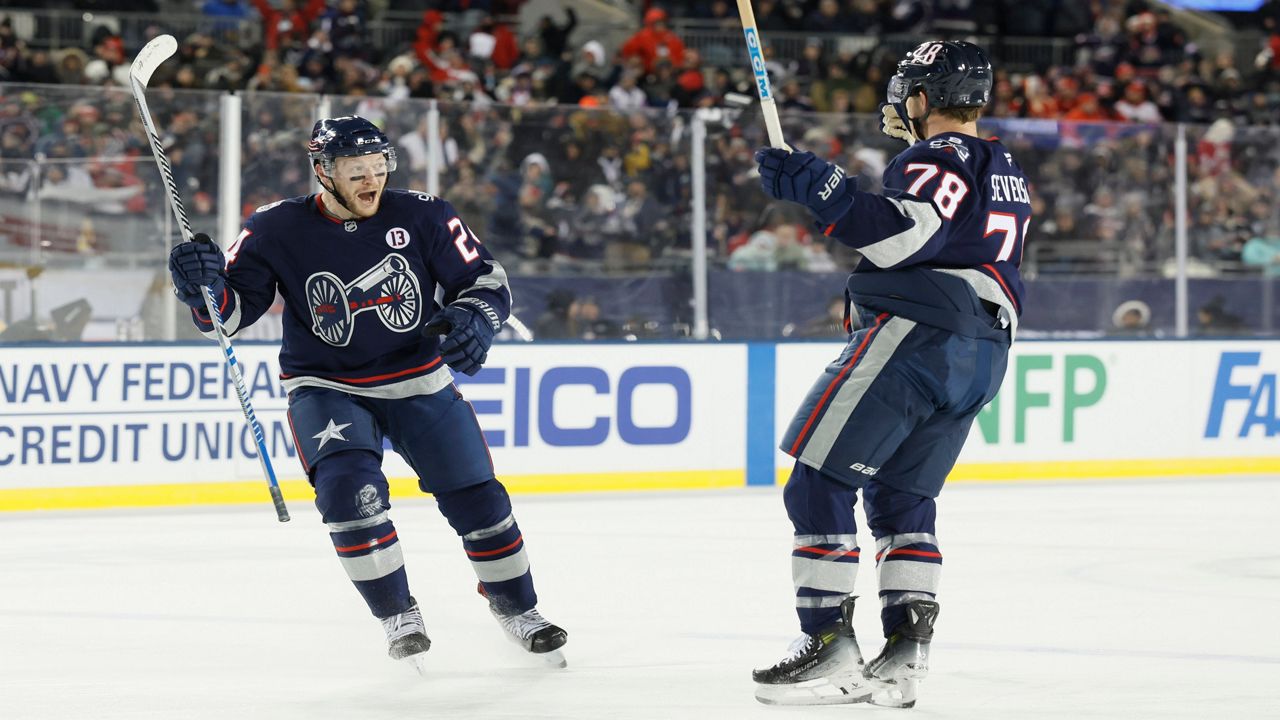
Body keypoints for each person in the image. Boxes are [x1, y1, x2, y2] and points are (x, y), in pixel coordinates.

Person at [166, 116, 567, 672]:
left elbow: (485, 278)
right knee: (349, 493)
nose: (370, 181)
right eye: (357, 171)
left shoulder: (426, 214)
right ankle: (397, 614)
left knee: (480, 499)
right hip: (328, 387)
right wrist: (204, 286)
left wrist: (476, 317)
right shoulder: (274, 228)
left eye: (378, 169)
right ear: (323, 172)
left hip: (419, 380)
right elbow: (228, 315)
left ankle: (517, 609)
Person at [751, 41, 1027, 708]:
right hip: (982, 353)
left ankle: (826, 646)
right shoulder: (1006, 166)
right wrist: (833, 195)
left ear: (924, 97)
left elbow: (907, 233)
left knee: (818, 482)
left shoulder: (939, 154)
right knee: (903, 502)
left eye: (908, 89)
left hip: (918, 338)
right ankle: (906, 652)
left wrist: (826, 191)